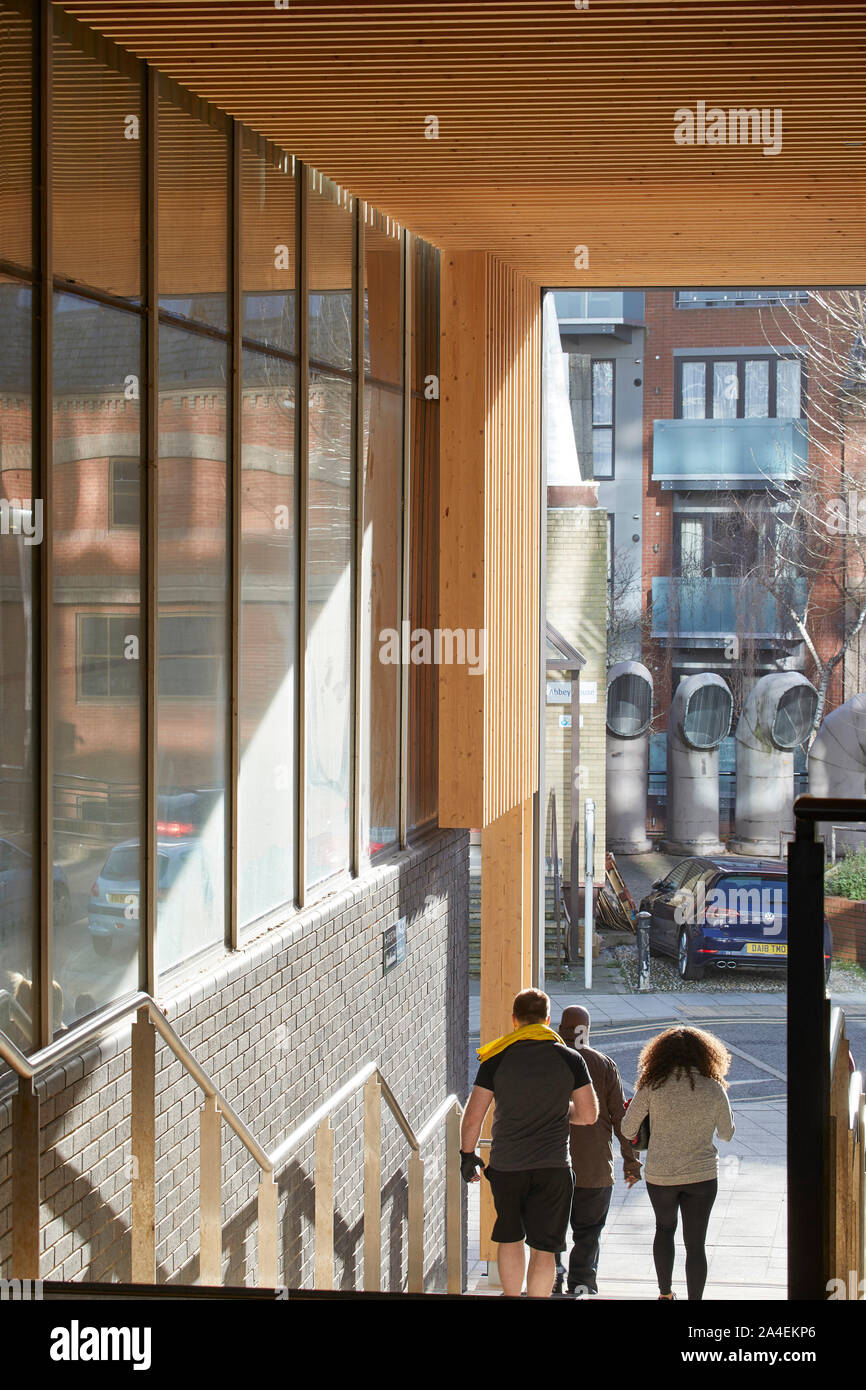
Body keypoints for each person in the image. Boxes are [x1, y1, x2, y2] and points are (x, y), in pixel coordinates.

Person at [460, 987, 599, 1298]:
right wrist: (560, 1113)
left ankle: (511, 1296)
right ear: (547, 1020)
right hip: (553, 1168)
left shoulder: (496, 1058)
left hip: (508, 1166)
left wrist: (467, 1156)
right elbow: (589, 1114)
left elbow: (472, 1118)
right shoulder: (571, 1059)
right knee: (544, 1247)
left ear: (514, 1020)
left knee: (509, 1236)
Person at [619, 1025, 735, 1301]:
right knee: (696, 1245)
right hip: (702, 1176)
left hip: (661, 1176)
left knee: (664, 1229)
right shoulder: (714, 1087)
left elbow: (626, 1129)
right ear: (706, 1055)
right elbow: (726, 1134)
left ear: (659, 1055)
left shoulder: (652, 1086)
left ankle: (665, 1294)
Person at [554, 1005, 642, 1297]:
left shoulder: (547, 1060)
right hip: (594, 1169)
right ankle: (582, 1284)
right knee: (588, 1233)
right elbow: (621, 1120)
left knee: (549, 1230)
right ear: (587, 1031)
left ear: (561, 1029)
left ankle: (552, 1277)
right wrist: (631, 1163)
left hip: (551, 1166)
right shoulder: (604, 1064)